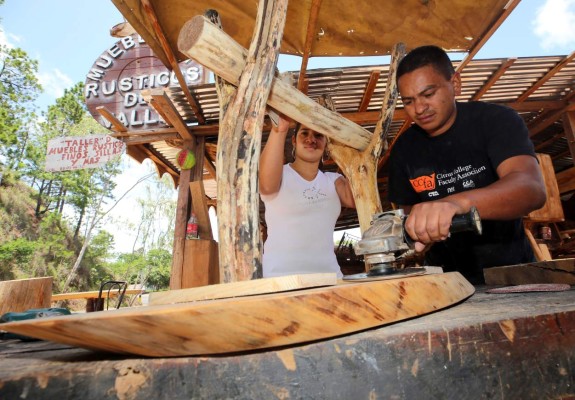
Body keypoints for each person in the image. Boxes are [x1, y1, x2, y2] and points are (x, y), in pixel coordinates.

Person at [388, 45, 547, 284]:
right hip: (447, 281)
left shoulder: (495, 120)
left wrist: (456, 203)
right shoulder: (403, 150)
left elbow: (531, 189)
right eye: (409, 101)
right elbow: (407, 213)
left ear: (456, 83)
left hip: (514, 272)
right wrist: (419, 231)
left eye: (428, 94)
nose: (419, 109)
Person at [259, 114, 355, 278]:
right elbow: (266, 187)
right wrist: (280, 130)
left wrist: (345, 149)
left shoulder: (333, 181)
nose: (311, 139)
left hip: (329, 278)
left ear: (326, 145)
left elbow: (356, 200)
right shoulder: (279, 175)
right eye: (304, 133)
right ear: (294, 141)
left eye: (318, 135)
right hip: (280, 279)